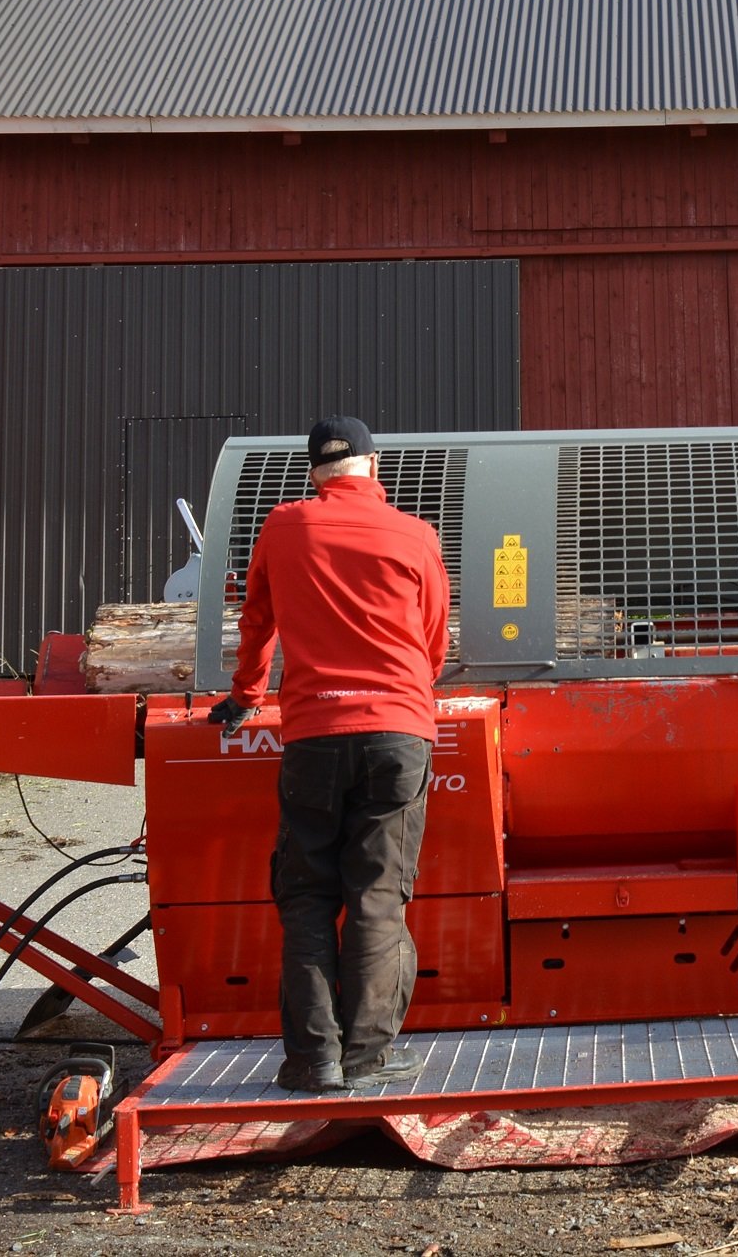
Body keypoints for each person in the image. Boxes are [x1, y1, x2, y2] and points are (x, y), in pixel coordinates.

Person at [218, 415, 449, 1092]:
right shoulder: (415, 533)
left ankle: (313, 1059)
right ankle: (369, 1057)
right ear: (374, 469)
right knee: (377, 897)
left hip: (314, 734)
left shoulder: (285, 525)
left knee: (308, 895)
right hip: (400, 730)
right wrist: (409, 692)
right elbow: (433, 636)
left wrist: (245, 694)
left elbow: (256, 618)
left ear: (315, 474)